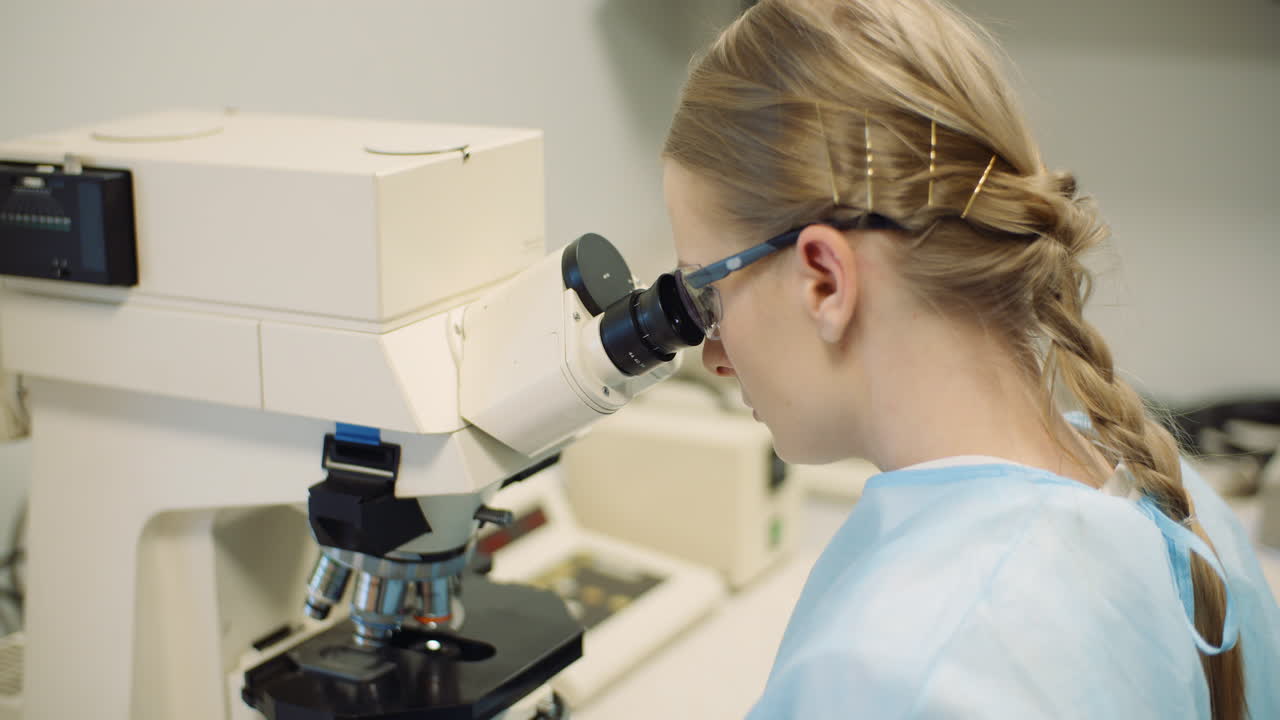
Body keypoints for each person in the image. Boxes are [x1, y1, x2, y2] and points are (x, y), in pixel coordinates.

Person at [658, 0, 1280, 717]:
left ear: (824, 279)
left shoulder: (897, 673)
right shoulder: (1179, 501)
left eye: (707, 297)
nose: (711, 356)